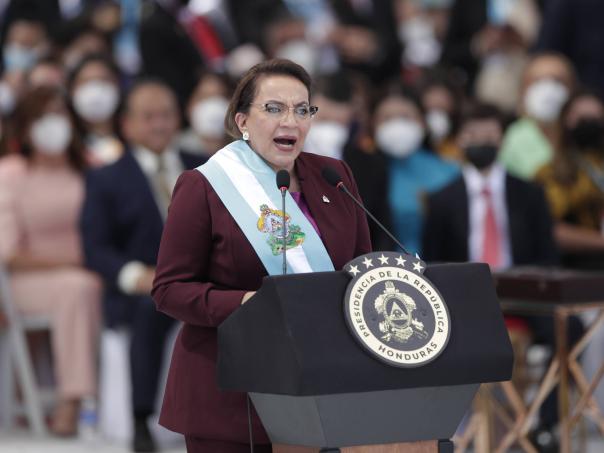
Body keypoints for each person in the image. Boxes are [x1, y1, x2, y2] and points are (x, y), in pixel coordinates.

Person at [151, 59, 372, 452]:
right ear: (243, 121)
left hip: (320, 385)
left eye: (302, 110)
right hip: (231, 394)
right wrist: (246, 303)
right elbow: (169, 290)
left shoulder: (334, 176)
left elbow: (360, 271)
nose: (290, 121)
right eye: (273, 108)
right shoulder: (205, 186)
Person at [422, 103, 583, 452]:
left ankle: (544, 423)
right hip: (465, 299)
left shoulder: (529, 193)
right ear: (460, 140)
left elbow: (547, 255)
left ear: (501, 139)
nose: (482, 143)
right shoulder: (442, 200)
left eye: (489, 136)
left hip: (523, 295)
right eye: (473, 135)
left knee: (570, 328)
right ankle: (453, 429)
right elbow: (432, 261)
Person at [80, 79, 206, 452]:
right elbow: (95, 248)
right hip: (144, 286)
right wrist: (136, 276)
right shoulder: (106, 178)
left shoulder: (204, 167)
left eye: (166, 115)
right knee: (150, 309)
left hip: (203, 280)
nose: (159, 124)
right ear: (128, 124)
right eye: (148, 116)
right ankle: (141, 419)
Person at [0, 85, 101, 436]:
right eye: (42, 116)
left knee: (87, 286)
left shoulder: (90, 169)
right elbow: (8, 253)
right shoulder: (10, 173)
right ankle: (72, 399)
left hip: (92, 273)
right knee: (77, 287)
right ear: (26, 126)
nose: (53, 123)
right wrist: (72, 262)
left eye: (59, 113)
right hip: (26, 281)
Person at [372, 85, 459, 255]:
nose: (397, 125)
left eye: (405, 117)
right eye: (387, 118)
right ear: (373, 124)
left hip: (441, 265)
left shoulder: (450, 171)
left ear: (422, 121)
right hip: (383, 266)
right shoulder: (359, 173)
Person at [536, 91, 604, 269]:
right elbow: (550, 228)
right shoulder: (550, 172)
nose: (589, 123)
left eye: (595, 117)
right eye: (581, 118)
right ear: (565, 121)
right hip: (574, 267)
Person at [499, 52, 575, 180]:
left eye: (557, 80)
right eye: (538, 81)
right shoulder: (513, 137)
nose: (548, 89)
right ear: (523, 90)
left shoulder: (580, 132)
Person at [68, 53, 124, 167]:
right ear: (72, 91)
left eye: (103, 80)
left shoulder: (134, 140)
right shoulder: (66, 149)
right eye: (86, 82)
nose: (95, 90)